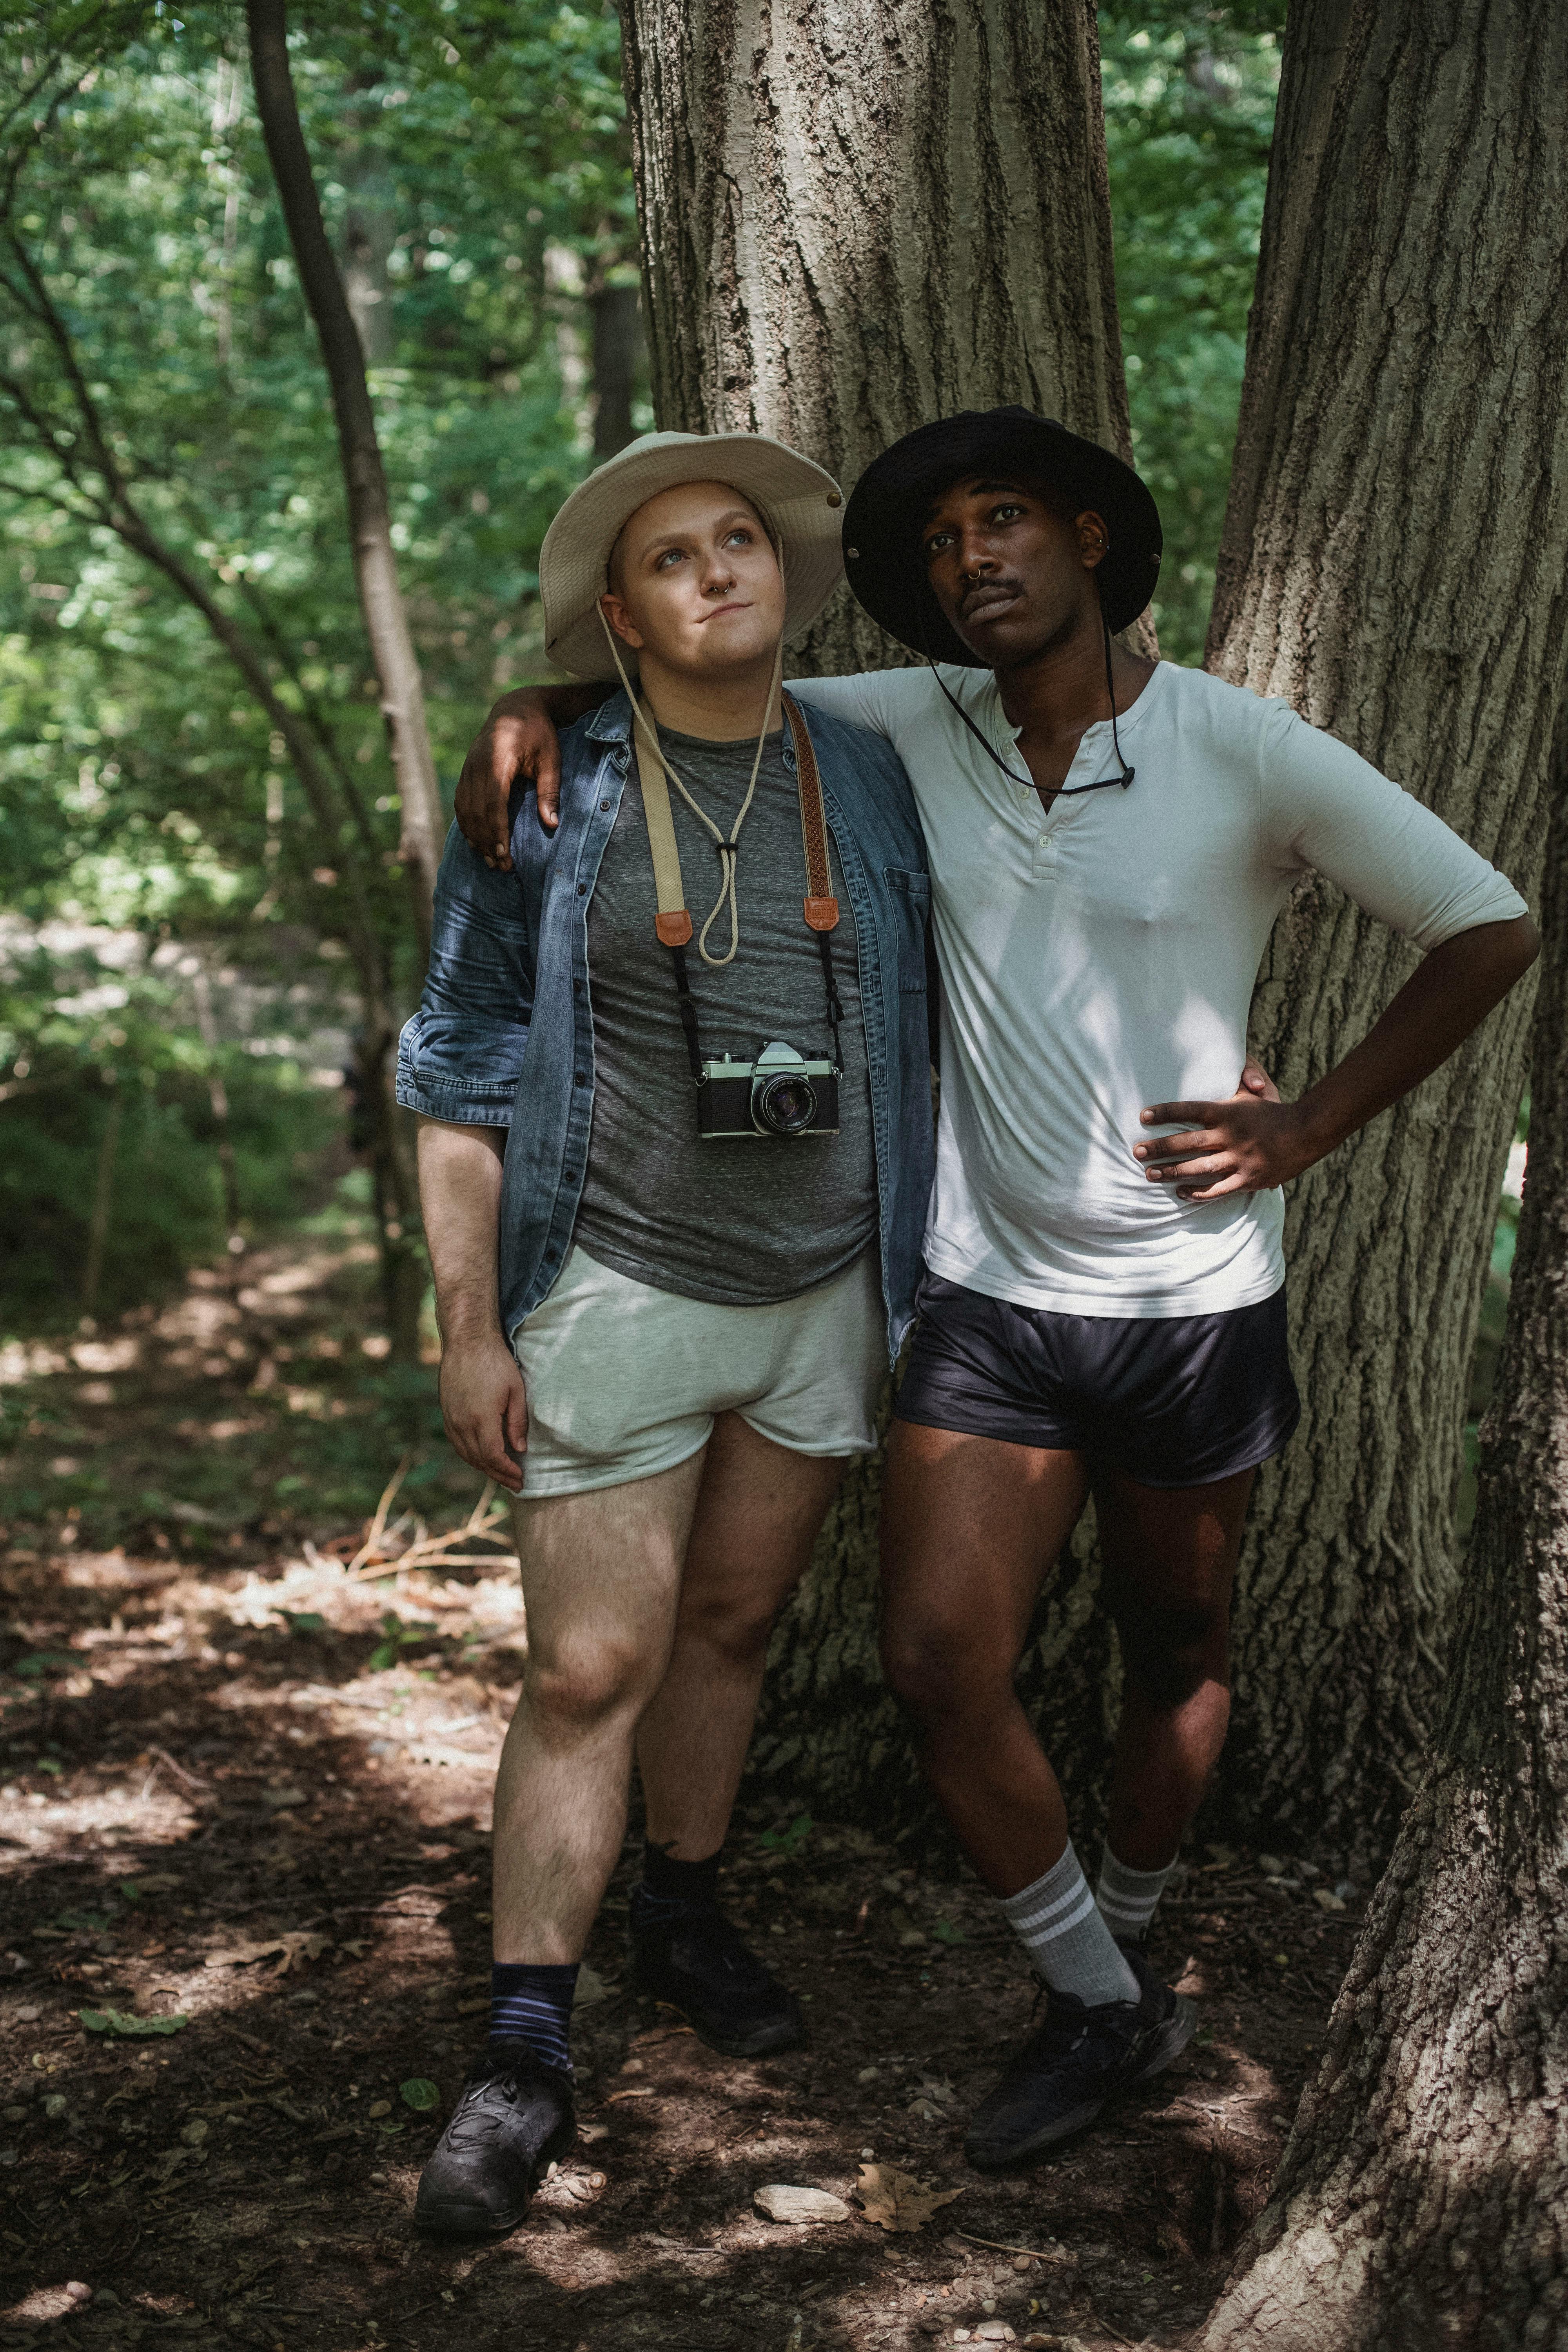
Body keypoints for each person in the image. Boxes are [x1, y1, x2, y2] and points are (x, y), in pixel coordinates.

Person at [451, 405, 1538, 2173]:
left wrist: (1314, 1123)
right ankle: (1095, 1997)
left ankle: (1127, 1930)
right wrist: (536, 704)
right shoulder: (903, 728)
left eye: (1011, 520)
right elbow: (697, 696)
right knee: (939, 1662)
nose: (980, 560)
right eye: (948, 542)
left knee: (1175, 1647)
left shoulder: (1240, 749)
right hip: (979, 1295)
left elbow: (1486, 922)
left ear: (1091, 540)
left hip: (1193, 1303)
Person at [401, 429, 935, 2238]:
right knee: (584, 1670)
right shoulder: (548, 790)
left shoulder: (873, 765)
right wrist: (473, 1327)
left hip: (825, 1294)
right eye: (670, 558)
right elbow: (459, 1069)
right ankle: (524, 2041)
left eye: (742, 540)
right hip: (615, 1287)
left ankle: (686, 1908)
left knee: (735, 1620)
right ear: (616, 617)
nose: (719, 570)